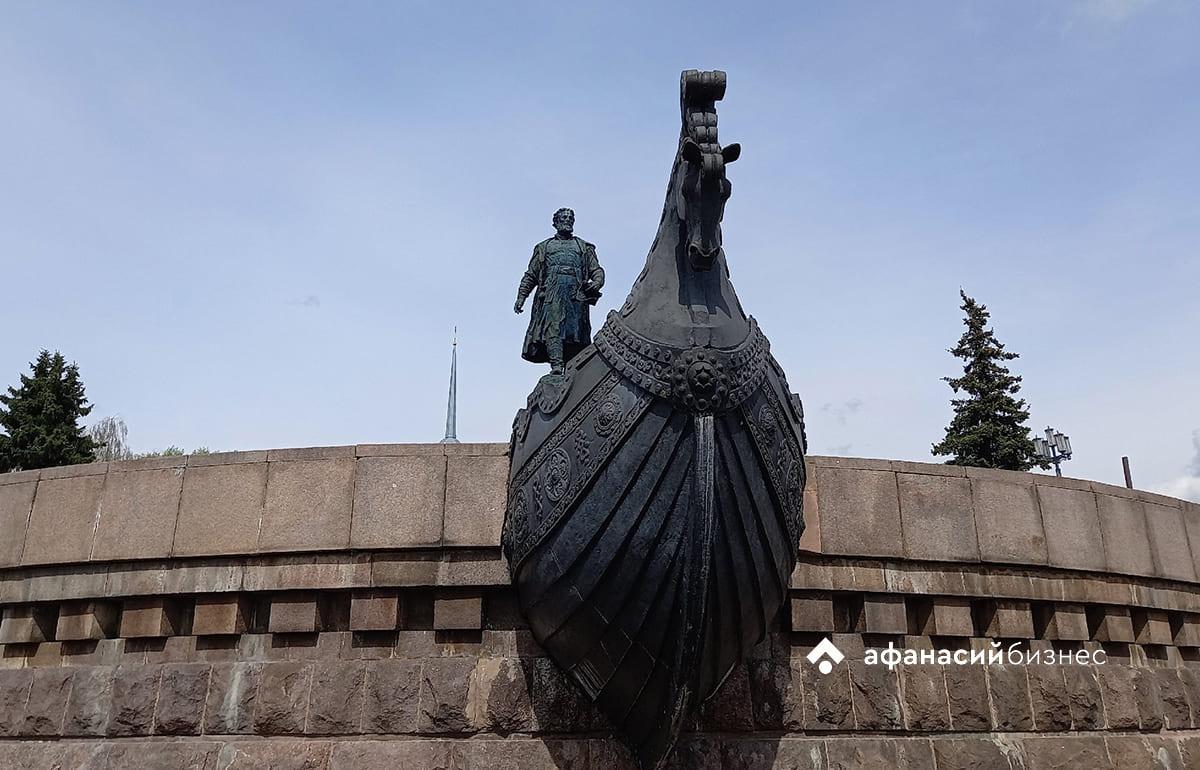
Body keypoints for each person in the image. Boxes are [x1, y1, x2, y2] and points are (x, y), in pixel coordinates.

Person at [513, 208, 604, 375]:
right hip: (552, 294)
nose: (567, 220)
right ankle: (556, 364)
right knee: (553, 327)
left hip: (575, 295)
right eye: (563, 217)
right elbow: (531, 275)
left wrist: (597, 282)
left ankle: (571, 366)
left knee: (574, 331)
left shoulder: (583, 246)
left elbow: (596, 270)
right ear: (555, 223)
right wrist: (521, 296)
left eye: (570, 218)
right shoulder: (544, 247)